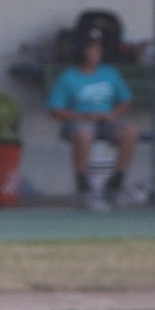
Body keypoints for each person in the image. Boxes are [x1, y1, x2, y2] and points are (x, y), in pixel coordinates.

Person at [47, 27, 139, 210]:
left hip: (107, 119)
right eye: (91, 49)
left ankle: (116, 182)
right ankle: (83, 183)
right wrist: (84, 115)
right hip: (79, 119)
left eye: (98, 49)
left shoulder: (109, 72)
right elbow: (55, 109)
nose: (96, 53)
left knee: (130, 131)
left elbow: (125, 100)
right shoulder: (69, 77)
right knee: (84, 133)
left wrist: (114, 114)